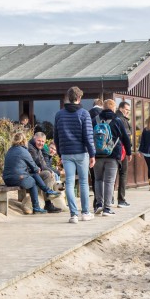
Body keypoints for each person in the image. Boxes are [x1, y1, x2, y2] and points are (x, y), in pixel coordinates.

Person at [54, 85, 96, 224]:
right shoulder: (84, 114)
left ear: (68, 97)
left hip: (66, 152)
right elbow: (88, 136)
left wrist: (60, 152)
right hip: (81, 152)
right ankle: (85, 212)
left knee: (70, 184)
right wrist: (92, 154)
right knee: (84, 183)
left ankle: (73, 215)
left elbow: (56, 137)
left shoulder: (59, 114)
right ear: (79, 98)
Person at [3, 131, 59, 214]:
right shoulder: (24, 151)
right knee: (33, 181)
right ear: (24, 141)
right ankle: (36, 207)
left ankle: (47, 191)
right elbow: (34, 166)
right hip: (18, 178)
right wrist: (37, 169)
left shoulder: (10, 150)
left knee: (33, 175)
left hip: (7, 179)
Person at [27, 130, 62, 213]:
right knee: (48, 174)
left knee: (49, 173)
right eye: (39, 140)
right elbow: (38, 162)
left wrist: (50, 170)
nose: (41, 143)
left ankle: (49, 200)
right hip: (28, 173)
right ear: (34, 138)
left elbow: (43, 163)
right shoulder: (30, 147)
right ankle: (48, 201)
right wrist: (51, 171)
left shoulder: (39, 148)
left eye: (43, 141)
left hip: (34, 172)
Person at [114, 100, 136, 206]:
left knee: (111, 176)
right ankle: (121, 200)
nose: (127, 112)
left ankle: (109, 199)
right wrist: (129, 151)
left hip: (111, 151)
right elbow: (126, 137)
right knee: (123, 174)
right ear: (121, 108)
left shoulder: (113, 118)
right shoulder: (122, 120)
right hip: (121, 151)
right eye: (126, 109)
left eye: (128, 110)